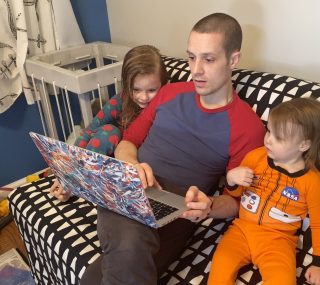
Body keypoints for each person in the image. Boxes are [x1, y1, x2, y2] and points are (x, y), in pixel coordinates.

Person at [80, 13, 266, 285]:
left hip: (178, 209)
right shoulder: (169, 94)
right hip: (131, 186)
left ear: (233, 60)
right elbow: (127, 142)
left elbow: (238, 201)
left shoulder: (247, 127)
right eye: (191, 57)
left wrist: (210, 205)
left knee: (95, 278)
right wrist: (132, 164)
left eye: (209, 59)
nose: (196, 69)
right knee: (130, 245)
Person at [208, 97, 320, 285]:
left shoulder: (311, 181)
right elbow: (235, 195)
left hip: (279, 241)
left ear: (303, 145)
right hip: (241, 231)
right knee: (219, 269)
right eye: (269, 131)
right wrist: (232, 179)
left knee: (283, 280)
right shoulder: (255, 157)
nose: (268, 140)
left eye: (278, 137)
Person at [49, 45, 168, 202]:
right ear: (126, 86)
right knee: (109, 132)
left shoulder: (167, 106)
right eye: (136, 89)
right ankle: (73, 183)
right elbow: (89, 131)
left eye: (152, 90)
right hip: (104, 157)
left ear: (165, 85)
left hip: (133, 167)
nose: (143, 97)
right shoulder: (120, 100)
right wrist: (68, 171)